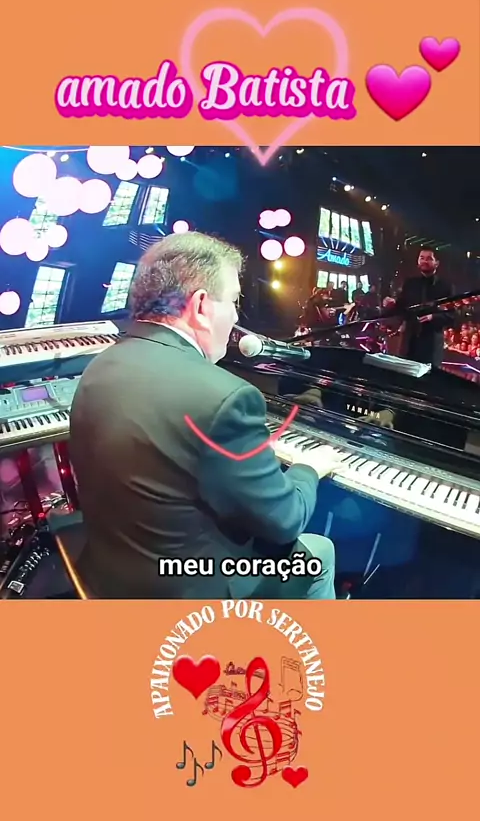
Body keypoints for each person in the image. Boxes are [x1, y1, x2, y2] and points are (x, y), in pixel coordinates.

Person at [69, 232, 340, 600]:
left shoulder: (100, 365)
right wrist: (308, 468)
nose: (236, 317)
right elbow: (285, 520)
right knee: (320, 553)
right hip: (186, 590)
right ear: (200, 306)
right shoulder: (225, 397)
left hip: (109, 573)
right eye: (233, 301)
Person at [382, 247, 455, 366]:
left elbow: (452, 315)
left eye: (429, 258)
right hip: (409, 341)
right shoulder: (409, 283)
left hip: (431, 343)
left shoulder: (446, 286)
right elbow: (401, 307)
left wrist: (433, 317)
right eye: (422, 258)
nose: (424, 261)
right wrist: (392, 303)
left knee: (429, 375)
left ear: (436, 263)